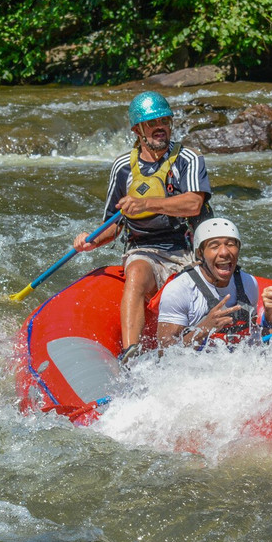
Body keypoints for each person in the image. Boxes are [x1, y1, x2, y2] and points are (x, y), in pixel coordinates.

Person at [74, 90, 211, 362]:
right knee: (135, 273)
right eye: (152, 123)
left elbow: (194, 204)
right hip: (145, 249)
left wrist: (147, 203)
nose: (160, 127)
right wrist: (93, 240)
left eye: (165, 121)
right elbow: (114, 224)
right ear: (137, 129)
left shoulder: (190, 160)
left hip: (189, 249)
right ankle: (131, 354)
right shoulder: (123, 166)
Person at [156, 218, 272, 348]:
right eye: (214, 246)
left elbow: (252, 338)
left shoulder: (248, 283)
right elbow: (165, 351)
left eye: (231, 244)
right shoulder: (179, 289)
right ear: (200, 253)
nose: (224, 252)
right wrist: (205, 328)